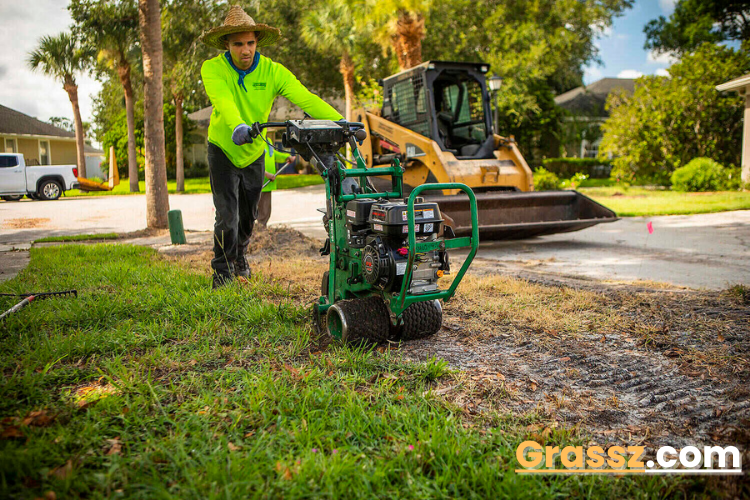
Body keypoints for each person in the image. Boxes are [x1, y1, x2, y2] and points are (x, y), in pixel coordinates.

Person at [199, 5, 341, 289]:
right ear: (227, 44)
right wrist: (238, 125)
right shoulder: (213, 68)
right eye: (238, 43)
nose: (245, 49)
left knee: (248, 217)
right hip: (223, 149)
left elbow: (306, 98)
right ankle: (222, 272)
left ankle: (239, 257)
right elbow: (224, 102)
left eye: (250, 42)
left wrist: (342, 122)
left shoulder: (272, 71)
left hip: (254, 152)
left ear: (257, 42)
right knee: (226, 216)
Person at [257, 142, 296, 227]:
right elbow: (253, 161)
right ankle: (258, 231)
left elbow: (273, 154)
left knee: (265, 211)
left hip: (268, 184)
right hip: (258, 183)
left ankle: (262, 231)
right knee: (259, 212)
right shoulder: (256, 141)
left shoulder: (267, 141)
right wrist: (265, 174)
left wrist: (286, 157)